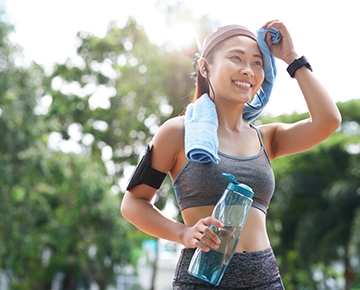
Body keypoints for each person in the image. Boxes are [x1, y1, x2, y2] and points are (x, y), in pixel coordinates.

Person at [120, 20, 341, 289]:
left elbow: (328, 120)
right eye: (236, 58)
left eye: (257, 63)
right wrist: (184, 232)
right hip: (202, 279)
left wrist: (292, 58)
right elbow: (133, 202)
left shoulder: (267, 139)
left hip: (265, 279)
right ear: (205, 67)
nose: (247, 70)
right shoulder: (179, 132)